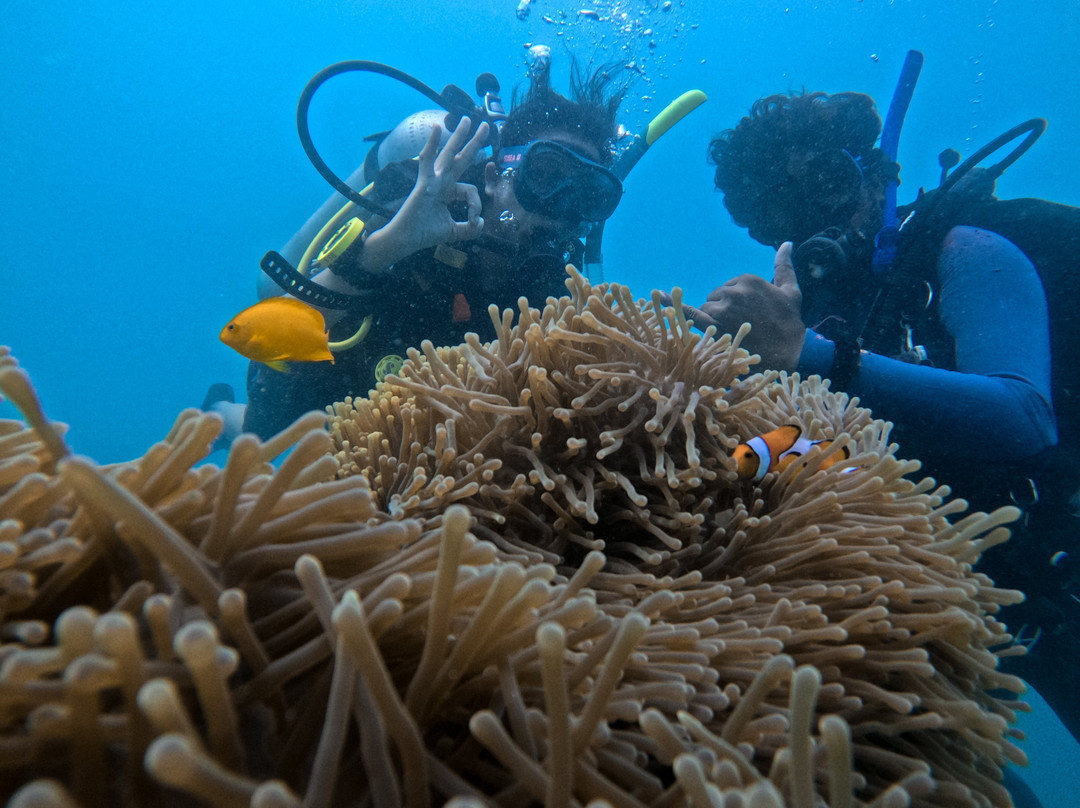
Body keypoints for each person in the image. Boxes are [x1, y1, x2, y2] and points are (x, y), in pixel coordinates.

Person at [686, 89, 1080, 748]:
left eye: (832, 186)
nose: (818, 222)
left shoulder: (964, 246)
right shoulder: (830, 318)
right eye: (782, 212)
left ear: (877, 175)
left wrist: (808, 353)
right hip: (1015, 604)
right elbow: (833, 447)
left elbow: (1024, 419)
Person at [218, 63, 626, 439]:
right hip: (345, 367)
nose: (560, 203)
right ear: (495, 172)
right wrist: (385, 248)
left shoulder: (559, 298)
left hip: (434, 442)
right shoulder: (416, 209)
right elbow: (273, 355)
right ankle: (217, 413)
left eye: (587, 193)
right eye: (544, 174)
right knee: (258, 428)